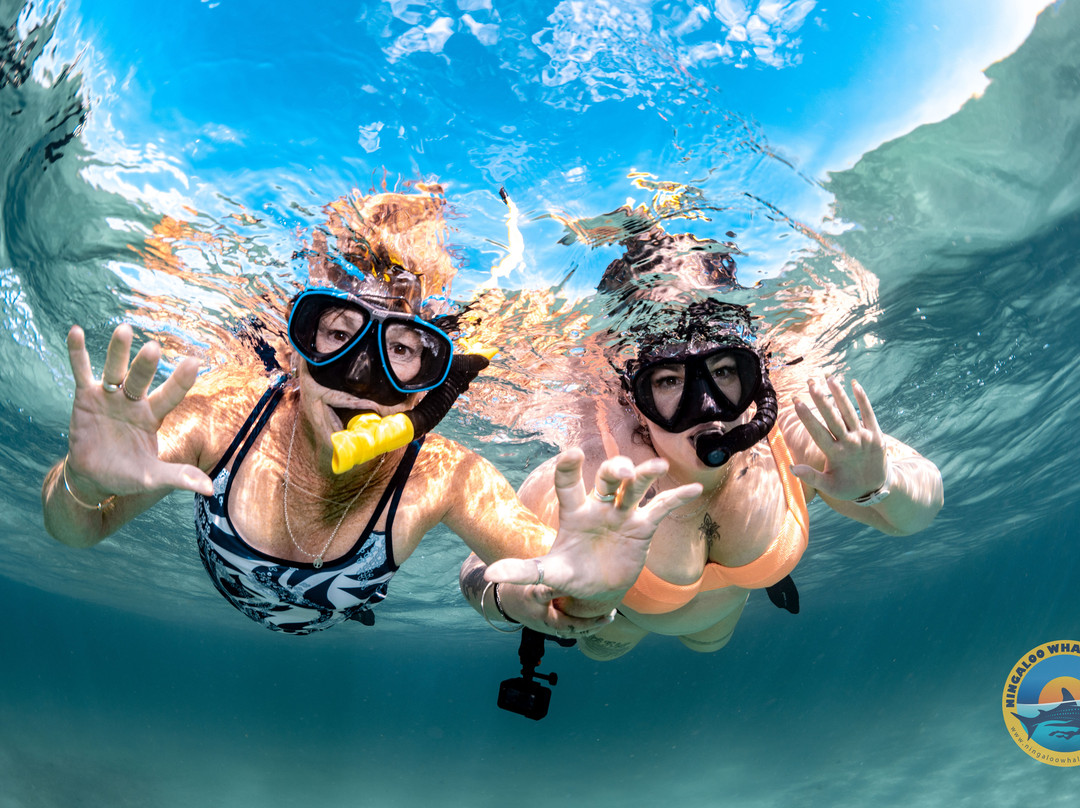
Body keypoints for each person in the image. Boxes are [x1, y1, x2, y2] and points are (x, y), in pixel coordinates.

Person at [40, 191, 701, 635]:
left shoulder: (443, 477)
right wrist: (81, 482)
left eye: (402, 352)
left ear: (423, 390)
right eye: (335, 336)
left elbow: (563, 588)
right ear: (295, 356)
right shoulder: (222, 415)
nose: (361, 382)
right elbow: (77, 529)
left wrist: (596, 595)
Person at [460, 226, 944, 659]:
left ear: (756, 380)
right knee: (606, 649)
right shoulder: (595, 475)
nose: (707, 407)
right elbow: (477, 570)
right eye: (669, 382)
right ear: (634, 400)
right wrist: (518, 602)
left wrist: (878, 486)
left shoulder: (792, 440)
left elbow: (920, 509)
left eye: (725, 371)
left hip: (723, 614)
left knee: (710, 641)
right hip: (622, 621)